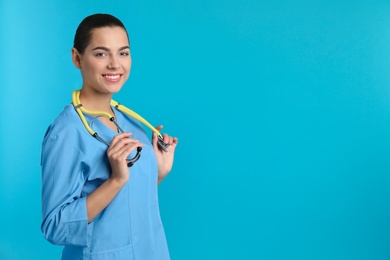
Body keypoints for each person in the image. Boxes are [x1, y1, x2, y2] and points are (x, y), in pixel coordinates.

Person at [40, 13, 178, 260]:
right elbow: (55, 226)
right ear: (77, 58)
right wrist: (115, 179)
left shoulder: (130, 122)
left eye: (123, 53)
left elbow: (123, 204)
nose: (115, 64)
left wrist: (158, 172)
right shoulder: (66, 133)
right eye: (101, 53)